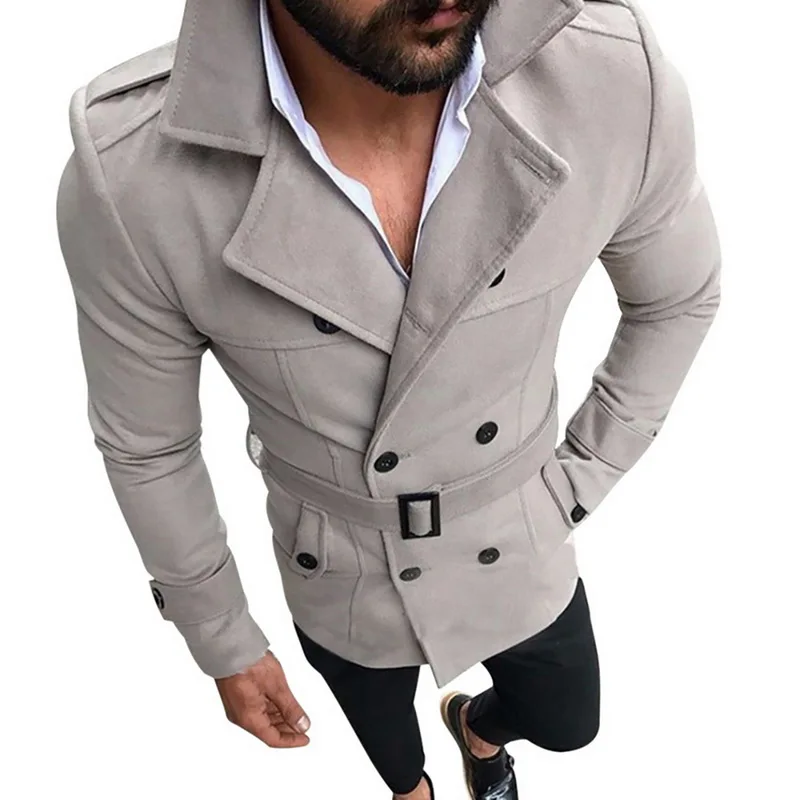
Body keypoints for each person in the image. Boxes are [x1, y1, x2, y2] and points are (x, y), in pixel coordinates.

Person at [55, 0, 722, 797]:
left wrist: (574, 486)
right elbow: (149, 446)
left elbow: (677, 299)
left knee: (567, 719)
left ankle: (477, 730)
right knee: (390, 751)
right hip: (340, 571)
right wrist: (220, 635)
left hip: (517, 537)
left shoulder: (609, 75)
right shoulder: (133, 176)